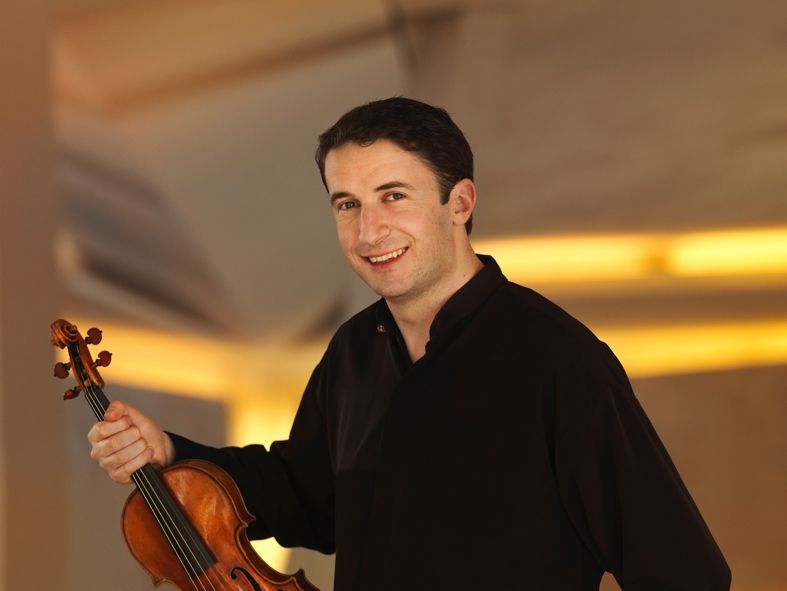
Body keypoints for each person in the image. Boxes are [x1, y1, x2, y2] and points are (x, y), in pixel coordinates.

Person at [88, 97, 731, 590]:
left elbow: (683, 573)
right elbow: (307, 496)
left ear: (460, 202)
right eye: (347, 204)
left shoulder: (560, 361)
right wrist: (170, 449)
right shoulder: (353, 352)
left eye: (393, 196)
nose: (370, 230)